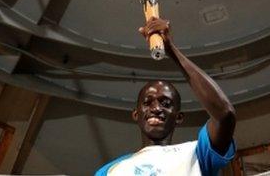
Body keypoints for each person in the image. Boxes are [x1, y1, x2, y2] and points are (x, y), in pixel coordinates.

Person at [94, 17, 236, 176]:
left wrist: (170, 49)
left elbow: (225, 115)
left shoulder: (197, 154)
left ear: (179, 117)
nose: (155, 108)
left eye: (166, 103)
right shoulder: (110, 171)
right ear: (136, 114)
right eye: (147, 103)